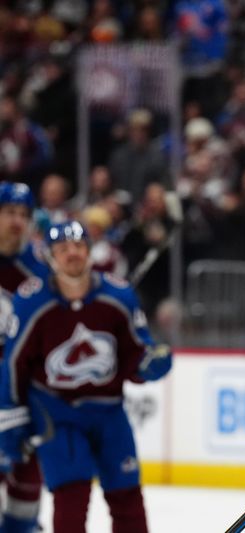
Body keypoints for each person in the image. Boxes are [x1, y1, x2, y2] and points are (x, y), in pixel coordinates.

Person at [0, 220, 172, 533]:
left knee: (127, 496)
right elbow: (14, 365)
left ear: (90, 252)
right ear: (50, 258)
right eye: (63, 249)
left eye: (78, 246)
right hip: (56, 414)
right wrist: (11, 418)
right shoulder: (32, 302)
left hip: (109, 412)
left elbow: (136, 350)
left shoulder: (118, 296)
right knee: (71, 496)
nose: (72, 253)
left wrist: (148, 363)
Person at [0, 182, 48, 533]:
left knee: (26, 493)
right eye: (9, 213)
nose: (17, 221)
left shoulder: (40, 272)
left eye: (23, 215)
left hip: (23, 397)